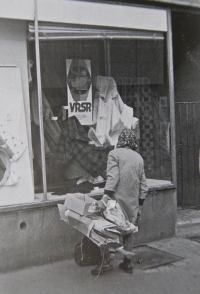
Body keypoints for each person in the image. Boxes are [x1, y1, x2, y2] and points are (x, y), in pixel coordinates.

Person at [91, 128, 148, 275]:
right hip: (133, 203)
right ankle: (128, 263)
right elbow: (144, 185)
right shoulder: (139, 158)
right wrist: (140, 206)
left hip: (115, 202)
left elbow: (113, 178)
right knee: (128, 231)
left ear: (120, 142)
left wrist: (104, 199)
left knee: (107, 230)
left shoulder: (114, 154)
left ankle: (105, 262)